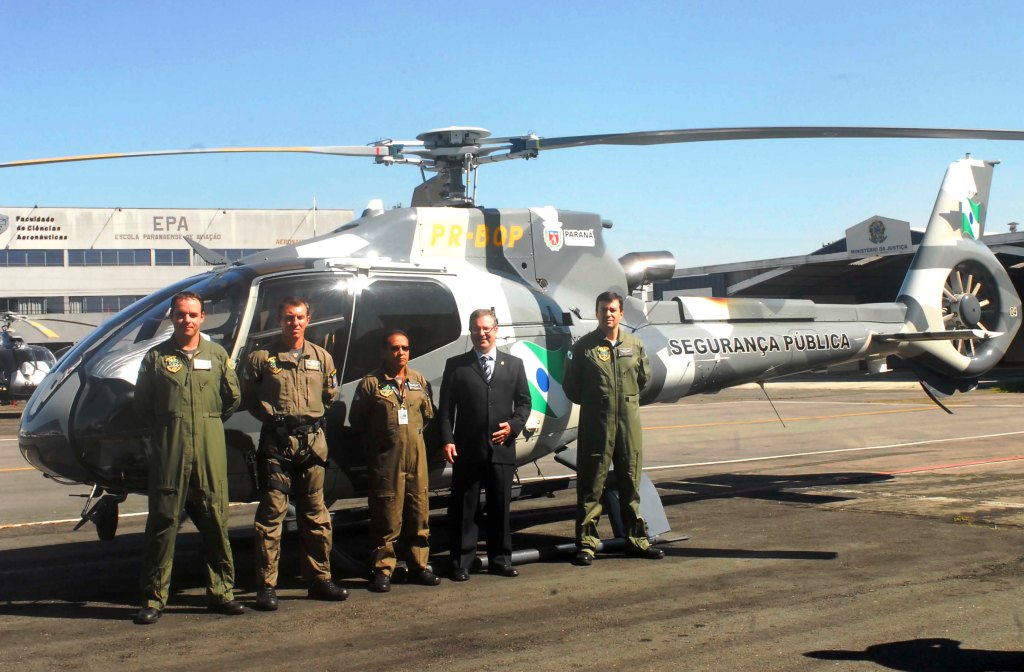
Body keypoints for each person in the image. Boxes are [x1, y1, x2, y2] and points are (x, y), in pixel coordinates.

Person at [132, 291, 244, 625]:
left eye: (193, 314)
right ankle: (154, 598)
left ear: (202, 318)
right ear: (173, 317)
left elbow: (232, 397)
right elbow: (143, 405)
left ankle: (221, 592)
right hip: (170, 446)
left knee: (215, 519)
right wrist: (172, 424)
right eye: (181, 314)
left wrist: (206, 421)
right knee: (163, 521)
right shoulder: (155, 358)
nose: (187, 320)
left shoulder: (217, 354)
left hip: (209, 443)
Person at [241, 297, 348, 611]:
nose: (295, 323)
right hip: (276, 446)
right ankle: (267, 586)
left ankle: (319, 578)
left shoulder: (322, 357)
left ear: (308, 319)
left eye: (300, 317)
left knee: (316, 515)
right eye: (289, 317)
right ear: (279, 319)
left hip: (311, 446)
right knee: (271, 516)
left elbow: (329, 395)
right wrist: (273, 418)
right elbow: (249, 397)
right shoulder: (261, 358)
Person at [562, 291, 665, 566]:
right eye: (603, 310)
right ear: (596, 314)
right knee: (591, 484)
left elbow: (643, 378)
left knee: (630, 481)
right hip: (596, 423)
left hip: (628, 423)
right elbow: (571, 388)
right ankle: (586, 544)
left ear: (621, 314)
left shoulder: (635, 344)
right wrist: (600, 403)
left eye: (612, 309)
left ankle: (636, 539)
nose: (608, 314)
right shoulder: (583, 348)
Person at [438, 308, 531, 581]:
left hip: (501, 449)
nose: (482, 333)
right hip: (467, 449)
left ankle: (500, 560)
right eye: (477, 329)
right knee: (465, 508)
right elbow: (445, 410)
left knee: (500, 508)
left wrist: (514, 426)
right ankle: (461, 562)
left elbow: (525, 403)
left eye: (487, 328)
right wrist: (447, 440)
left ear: (496, 330)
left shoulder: (513, 365)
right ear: (471, 331)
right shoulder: (456, 365)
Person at [349, 330, 441, 593]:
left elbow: (427, 416)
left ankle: (419, 566)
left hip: (416, 460)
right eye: (394, 348)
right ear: (383, 351)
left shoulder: (419, 381)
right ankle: (383, 569)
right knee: (386, 518)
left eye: (404, 348)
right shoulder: (370, 384)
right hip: (387, 462)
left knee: (419, 513)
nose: (400, 352)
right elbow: (359, 422)